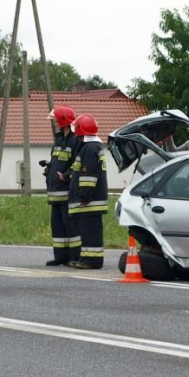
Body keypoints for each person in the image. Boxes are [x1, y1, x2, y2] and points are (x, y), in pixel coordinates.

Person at [68, 114, 108, 269]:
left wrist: (84, 195)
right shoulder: (92, 147)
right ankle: (86, 258)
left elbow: (88, 175)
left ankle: (93, 260)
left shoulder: (90, 149)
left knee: (91, 232)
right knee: (86, 231)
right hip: (91, 200)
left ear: (80, 131)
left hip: (90, 201)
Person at [43, 106, 81, 266]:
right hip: (55, 192)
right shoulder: (59, 138)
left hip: (67, 191)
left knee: (71, 226)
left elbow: (78, 162)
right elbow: (57, 160)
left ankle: (74, 257)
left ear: (63, 120)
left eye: (56, 120)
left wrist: (66, 175)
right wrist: (49, 169)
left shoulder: (75, 139)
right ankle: (61, 256)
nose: (55, 123)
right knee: (57, 226)